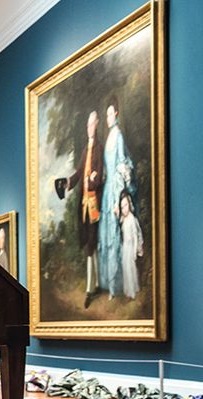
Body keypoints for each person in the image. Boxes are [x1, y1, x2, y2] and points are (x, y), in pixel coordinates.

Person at [54, 110, 104, 308]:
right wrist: (67, 183)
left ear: (97, 125)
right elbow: (78, 173)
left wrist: (93, 179)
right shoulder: (86, 149)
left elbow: (99, 175)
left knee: (92, 244)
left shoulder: (99, 148)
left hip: (95, 204)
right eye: (88, 125)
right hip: (85, 204)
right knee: (89, 243)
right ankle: (97, 283)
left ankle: (90, 289)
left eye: (92, 124)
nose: (89, 128)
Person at [99, 97, 137, 300]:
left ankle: (117, 286)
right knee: (107, 236)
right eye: (106, 115)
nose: (108, 118)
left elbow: (122, 165)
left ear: (116, 115)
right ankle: (110, 286)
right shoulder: (109, 137)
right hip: (108, 190)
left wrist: (119, 198)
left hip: (115, 190)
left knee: (115, 236)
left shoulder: (119, 136)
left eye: (110, 114)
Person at [118, 190, 142, 300]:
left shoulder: (132, 219)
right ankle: (128, 291)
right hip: (125, 247)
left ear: (130, 204)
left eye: (126, 205)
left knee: (131, 268)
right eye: (122, 207)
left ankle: (132, 291)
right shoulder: (124, 219)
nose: (124, 209)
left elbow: (136, 236)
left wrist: (135, 251)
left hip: (131, 246)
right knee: (126, 268)